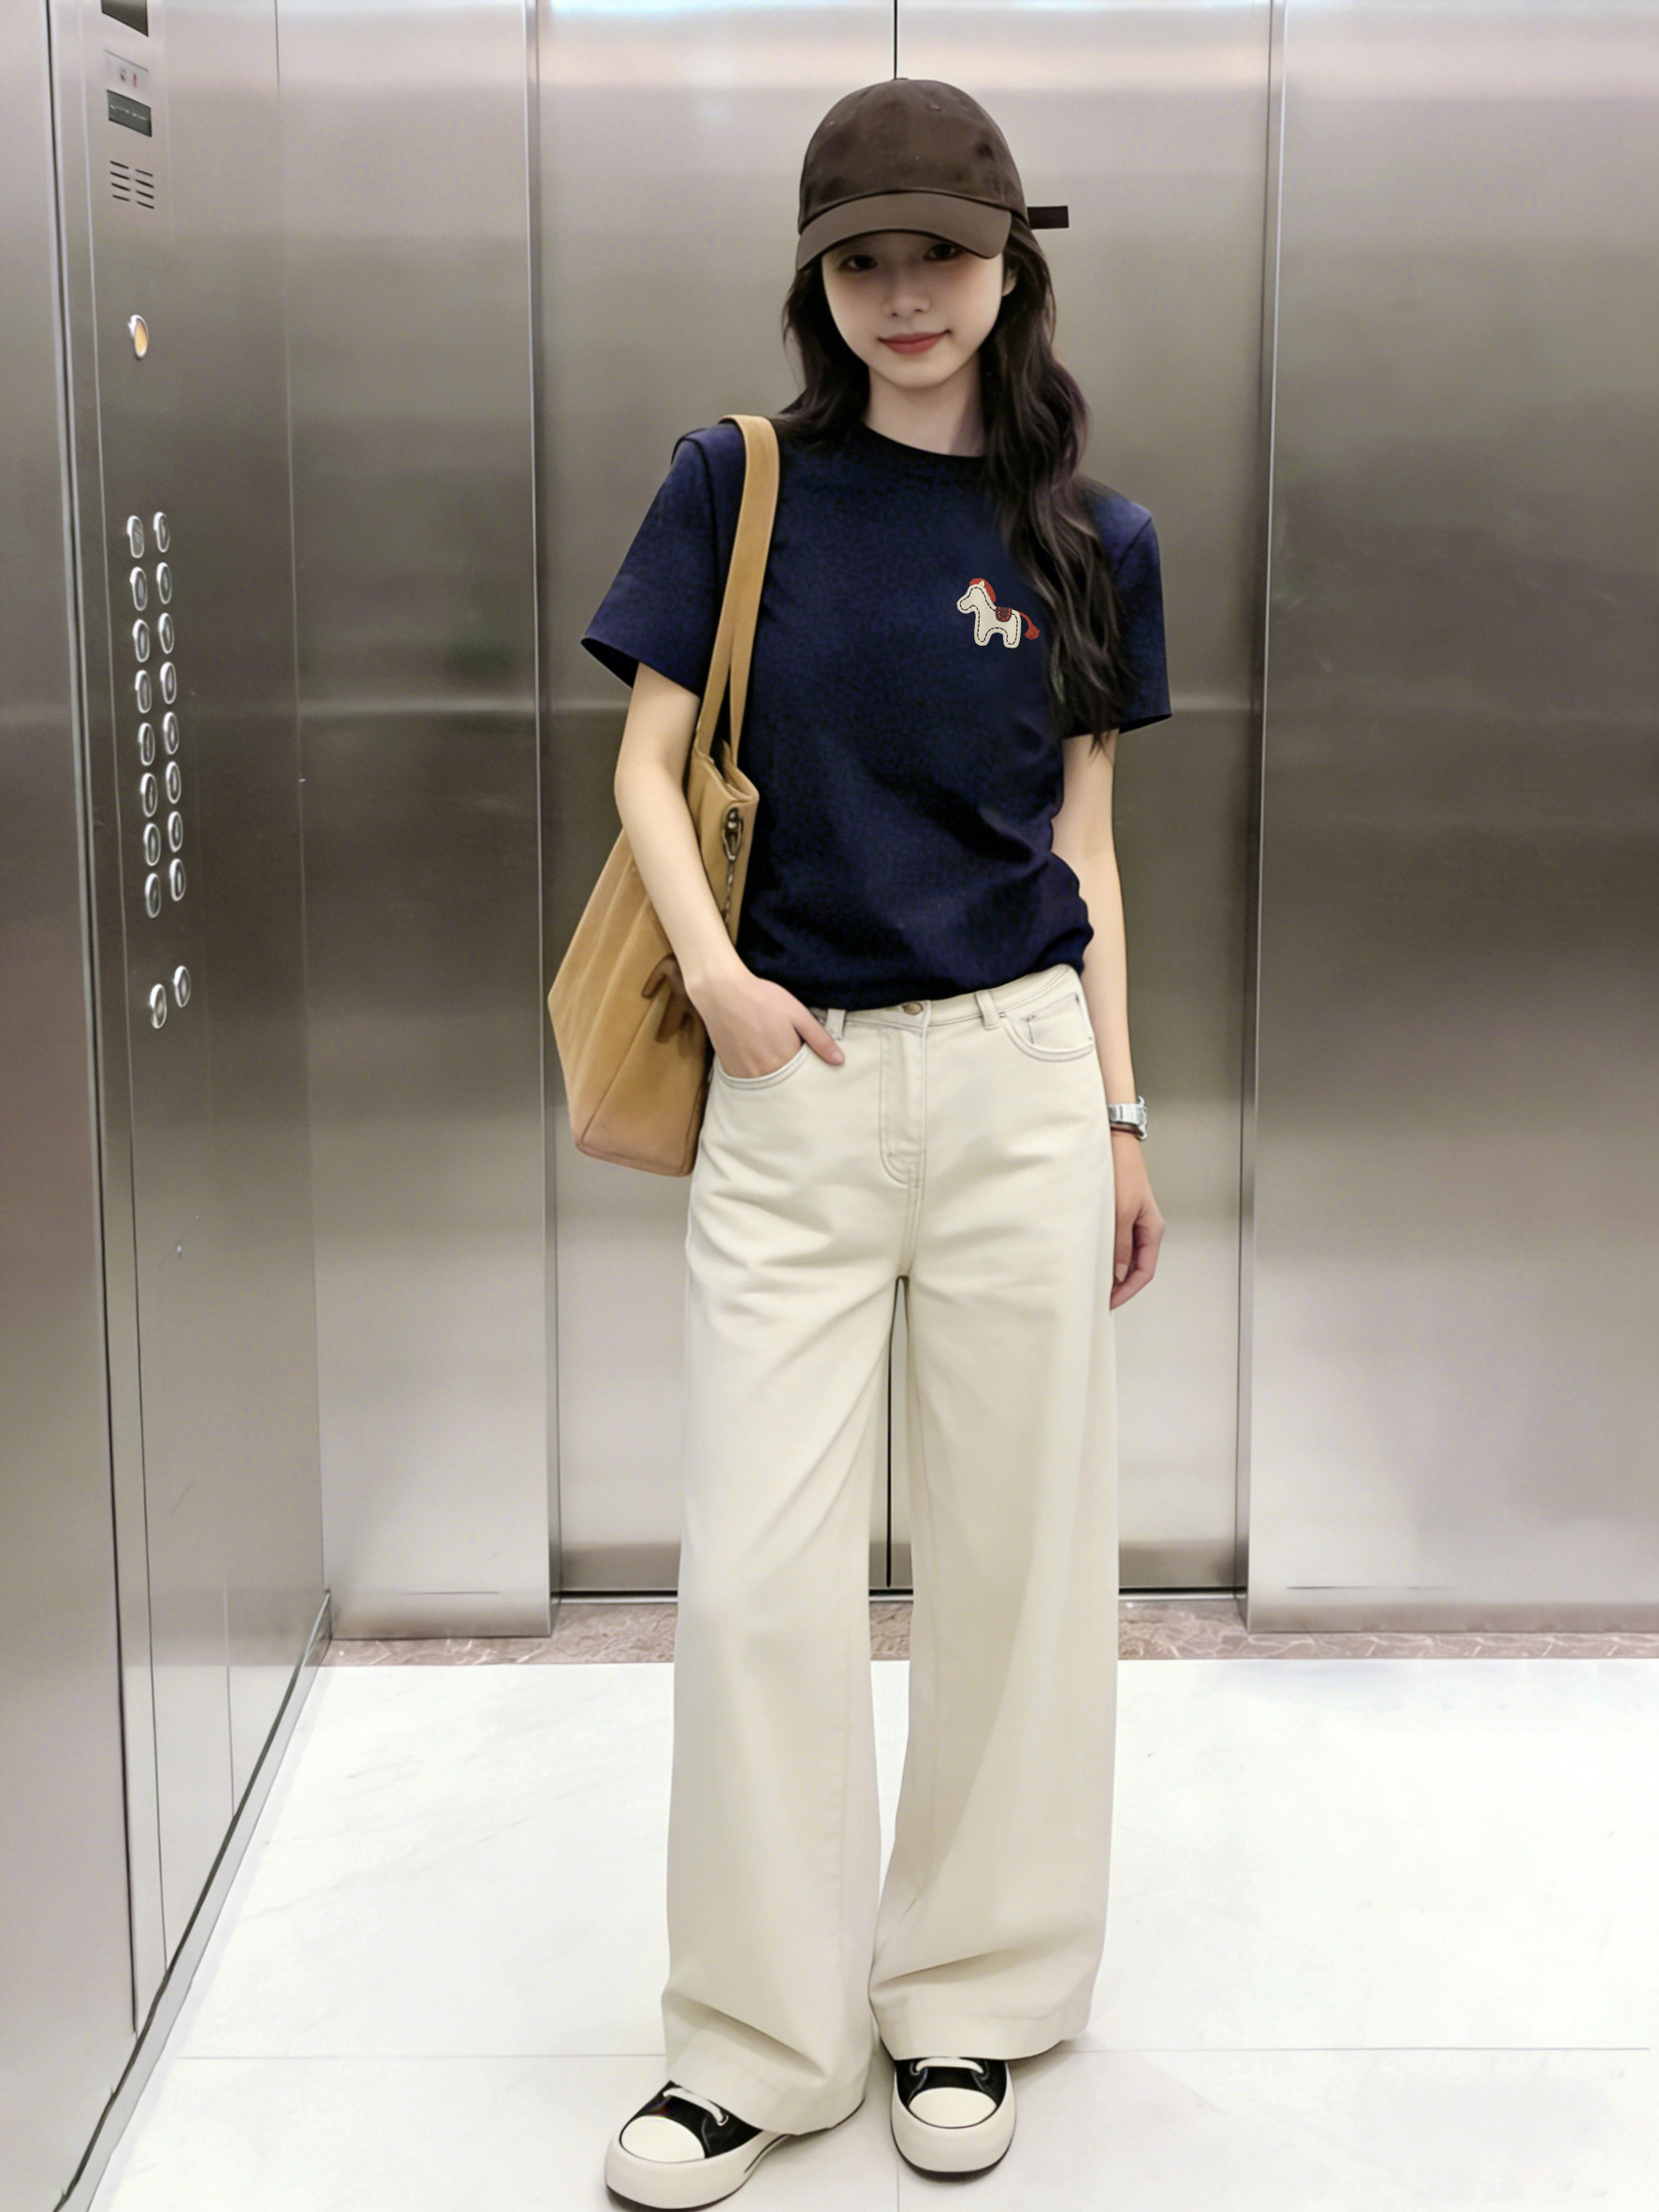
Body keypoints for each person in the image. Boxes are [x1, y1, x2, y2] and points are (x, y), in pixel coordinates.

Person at [580, 76, 1171, 2209]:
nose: (904, 295)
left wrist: (1116, 1110)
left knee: (1018, 1567)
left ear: (1011, 265)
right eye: (862, 260)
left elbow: (1083, 846)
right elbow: (646, 768)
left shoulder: (1092, 538)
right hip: (793, 1088)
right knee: (757, 1582)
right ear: (816, 281)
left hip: (1017, 1079)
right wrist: (719, 979)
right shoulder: (735, 483)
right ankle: (751, 2044)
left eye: (941, 254)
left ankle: (968, 1999)